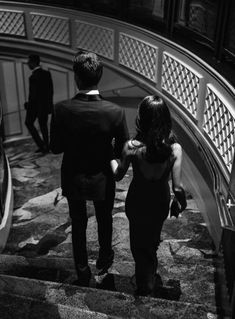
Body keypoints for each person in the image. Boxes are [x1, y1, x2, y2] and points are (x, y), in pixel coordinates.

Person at [50, 50, 129, 287]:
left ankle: (82, 270)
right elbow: (122, 149)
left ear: (76, 77)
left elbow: (55, 148)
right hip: (103, 176)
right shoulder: (115, 112)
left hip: (73, 174)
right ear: (100, 75)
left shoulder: (61, 109)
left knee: (78, 222)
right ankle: (104, 259)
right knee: (105, 219)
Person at [111, 95, 187, 296]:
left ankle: (145, 284)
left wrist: (111, 158)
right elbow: (178, 189)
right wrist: (181, 204)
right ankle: (150, 274)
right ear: (165, 118)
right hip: (160, 201)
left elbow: (118, 175)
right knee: (153, 239)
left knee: (138, 243)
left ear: (141, 118)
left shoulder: (131, 146)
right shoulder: (175, 148)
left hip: (137, 200)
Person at [25, 54, 53, 153]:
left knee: (28, 123)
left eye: (29, 62)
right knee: (44, 126)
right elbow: (50, 91)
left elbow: (33, 96)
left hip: (35, 107)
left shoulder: (32, 77)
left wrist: (28, 105)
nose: (27, 64)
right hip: (45, 106)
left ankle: (42, 146)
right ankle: (46, 146)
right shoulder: (47, 74)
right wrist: (49, 106)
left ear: (33, 62)